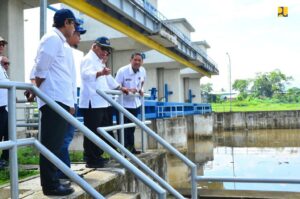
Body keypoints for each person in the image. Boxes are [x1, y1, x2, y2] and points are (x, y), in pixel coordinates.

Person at [34, 8, 77, 196]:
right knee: (51, 145)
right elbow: (41, 67)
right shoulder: (52, 38)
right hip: (53, 100)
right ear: (66, 22)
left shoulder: (58, 40)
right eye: (73, 24)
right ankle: (50, 186)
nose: (74, 28)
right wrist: (36, 89)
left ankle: (53, 182)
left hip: (59, 99)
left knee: (55, 144)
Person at [79, 37, 126, 168]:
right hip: (92, 102)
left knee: (102, 130)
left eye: (107, 50)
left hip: (103, 102)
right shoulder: (88, 59)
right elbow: (85, 75)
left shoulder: (99, 61)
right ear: (95, 46)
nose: (105, 52)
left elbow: (108, 79)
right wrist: (100, 72)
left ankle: (98, 155)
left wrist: (120, 88)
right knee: (92, 131)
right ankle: (91, 159)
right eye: (103, 49)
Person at [56, 24, 86, 181]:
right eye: (79, 34)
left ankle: (64, 170)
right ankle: (62, 171)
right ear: (72, 32)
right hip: (67, 102)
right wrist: (70, 104)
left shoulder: (69, 51)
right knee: (64, 138)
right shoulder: (64, 49)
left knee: (65, 138)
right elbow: (65, 80)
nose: (80, 38)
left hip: (70, 100)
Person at [115, 52, 146, 154]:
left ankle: (131, 149)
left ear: (142, 62)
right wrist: (127, 89)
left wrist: (141, 89)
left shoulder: (142, 71)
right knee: (122, 128)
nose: (137, 62)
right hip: (122, 104)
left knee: (131, 128)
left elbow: (141, 83)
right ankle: (122, 151)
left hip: (134, 104)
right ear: (131, 60)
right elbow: (116, 86)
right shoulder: (122, 71)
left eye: (139, 60)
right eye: (135, 60)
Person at [0, 37, 9, 169]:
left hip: (4, 105)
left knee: (8, 132)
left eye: (2, 44)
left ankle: (5, 159)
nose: (1, 46)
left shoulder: (1, 66)